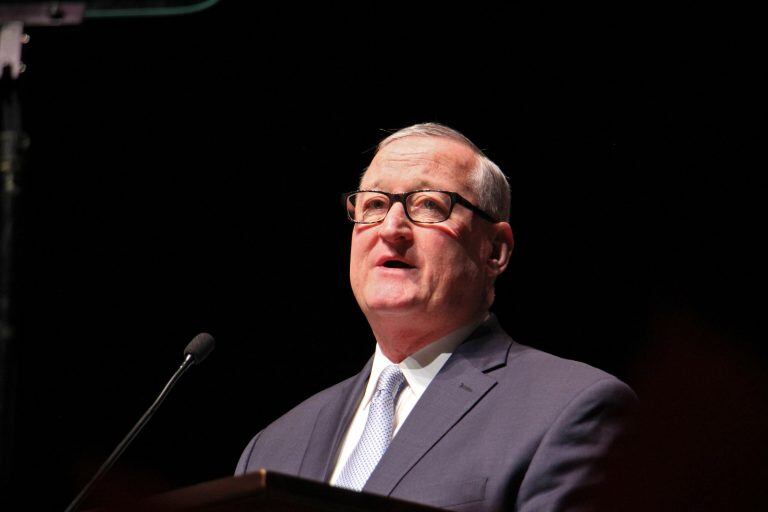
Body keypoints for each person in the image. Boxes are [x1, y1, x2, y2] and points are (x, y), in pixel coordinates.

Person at [236, 123, 637, 511]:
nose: (391, 229)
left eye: (429, 204)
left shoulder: (571, 409)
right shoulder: (271, 448)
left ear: (495, 250)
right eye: (374, 204)